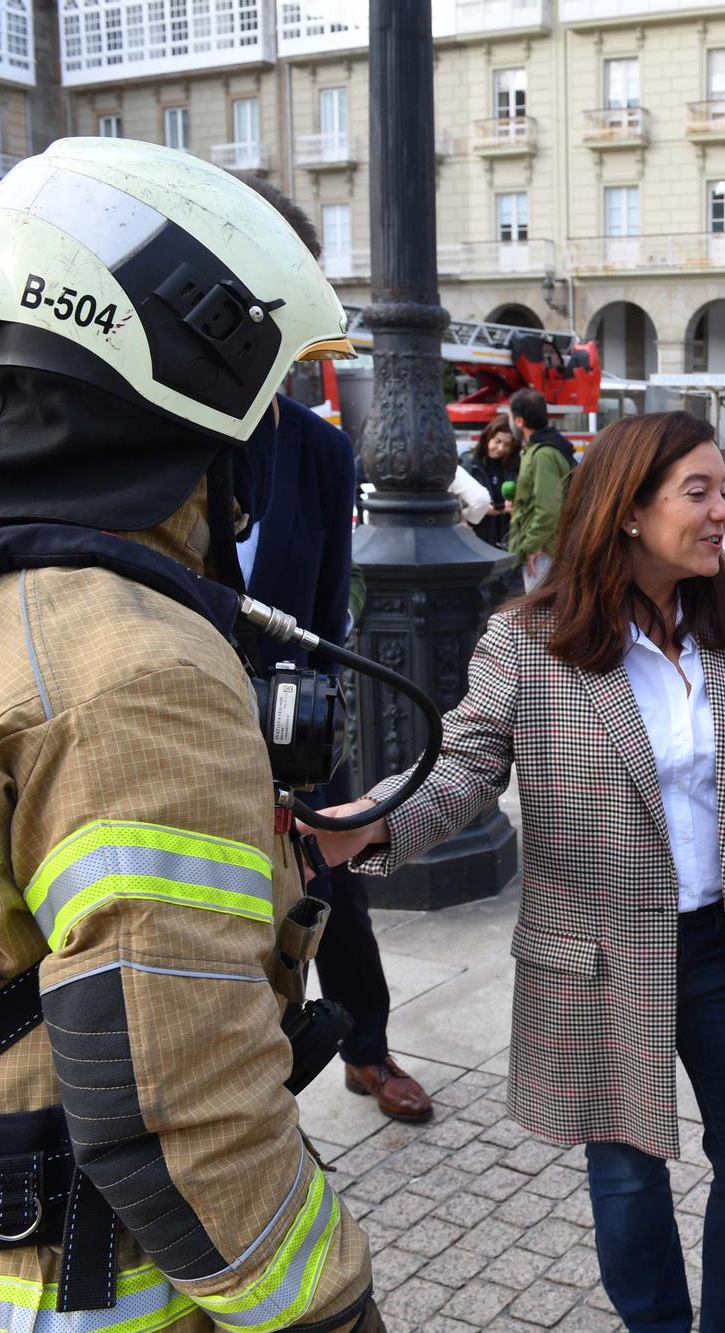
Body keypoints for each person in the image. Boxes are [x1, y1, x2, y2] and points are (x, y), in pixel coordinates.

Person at [306, 411, 725, 1332]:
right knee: (627, 1175)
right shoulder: (530, 640)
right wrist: (368, 824)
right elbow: (466, 767)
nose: (722, 512)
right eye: (698, 493)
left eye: (724, 491)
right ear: (627, 510)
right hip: (599, 955)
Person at [0, 138, 377, 1328]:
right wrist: (329, 1306)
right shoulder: (132, 665)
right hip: (70, 1284)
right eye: (265, 397)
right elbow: (185, 1109)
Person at [232, 175, 435, 1125]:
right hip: (169, 740)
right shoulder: (141, 449)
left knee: (338, 897)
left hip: (290, 731)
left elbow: (324, 615)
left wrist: (314, 741)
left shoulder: (317, 451)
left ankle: (369, 1046)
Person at [506, 386, 574, 588]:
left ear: (519, 421)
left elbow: (548, 508)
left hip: (543, 551)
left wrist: (531, 545)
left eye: (510, 416)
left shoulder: (542, 454)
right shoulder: (545, 448)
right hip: (547, 546)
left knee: (542, 614)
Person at [463, 413, 520, 549]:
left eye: (507, 444)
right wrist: (480, 508)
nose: (501, 449)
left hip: (509, 541)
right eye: (497, 441)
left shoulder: (517, 468)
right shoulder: (470, 467)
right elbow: (460, 504)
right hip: (478, 539)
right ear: (488, 438)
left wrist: (514, 505)